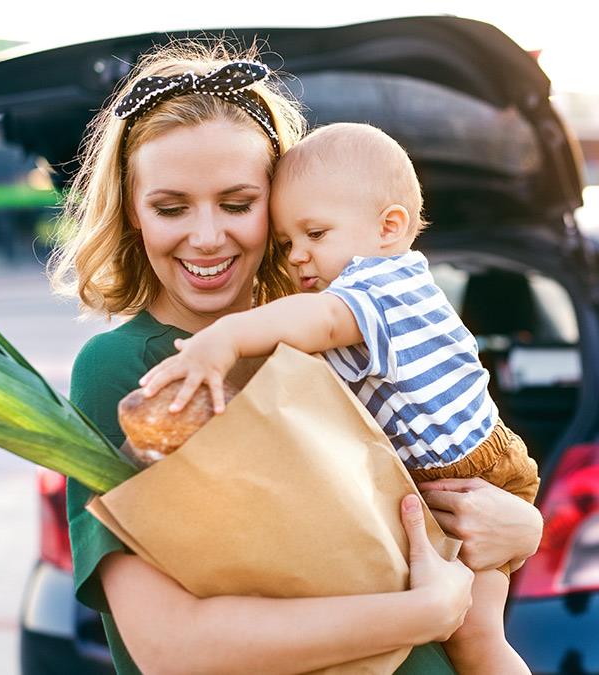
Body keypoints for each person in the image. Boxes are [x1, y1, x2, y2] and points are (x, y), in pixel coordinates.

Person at [52, 41, 542, 674]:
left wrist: (523, 529)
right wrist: (423, 614)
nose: (207, 235)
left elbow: (420, 496)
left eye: (237, 204)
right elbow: (170, 649)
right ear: (132, 216)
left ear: (281, 206)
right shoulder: (129, 370)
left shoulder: (326, 339)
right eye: (171, 207)